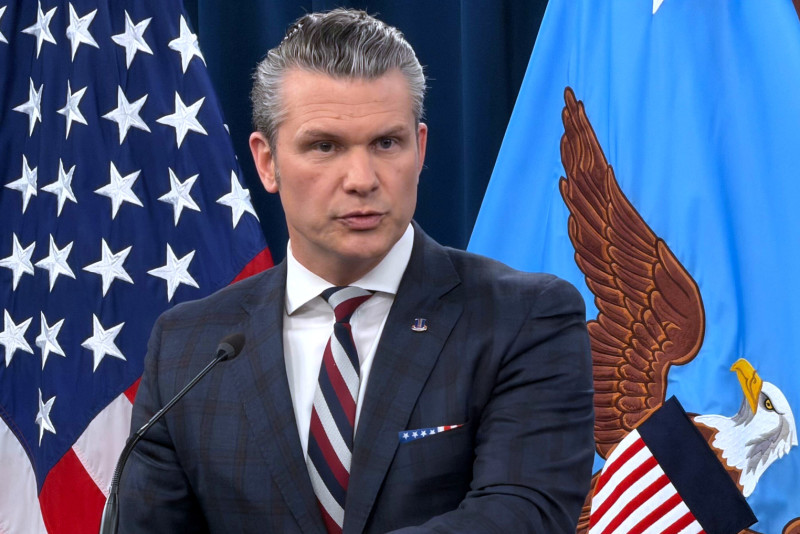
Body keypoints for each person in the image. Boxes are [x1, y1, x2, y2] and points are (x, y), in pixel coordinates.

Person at [118, 8, 594, 533]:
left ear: (421, 149)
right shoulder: (188, 348)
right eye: (325, 146)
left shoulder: (523, 318)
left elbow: (522, 515)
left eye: (386, 143)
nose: (362, 179)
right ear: (267, 162)